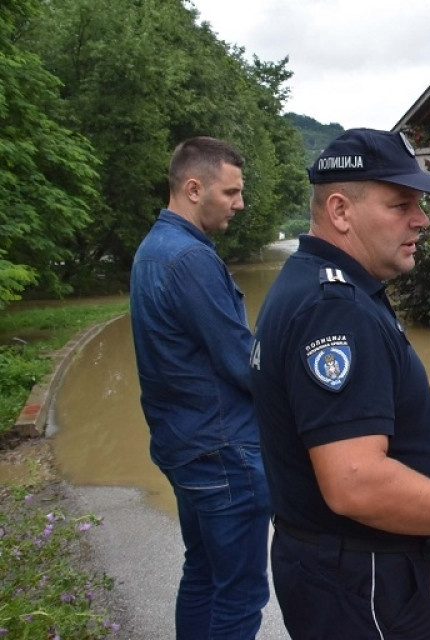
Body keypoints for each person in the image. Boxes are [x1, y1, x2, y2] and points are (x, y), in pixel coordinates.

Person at [249, 128, 430, 639]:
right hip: (361, 578)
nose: (421, 220)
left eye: (420, 204)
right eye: (400, 204)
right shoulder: (333, 311)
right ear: (341, 211)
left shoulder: (322, 285)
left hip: (345, 572)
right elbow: (355, 483)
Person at [130, 137, 270, 639]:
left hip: (184, 445)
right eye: (231, 192)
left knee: (203, 573)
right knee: (241, 593)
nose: (240, 203)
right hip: (223, 452)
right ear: (194, 188)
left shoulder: (152, 251)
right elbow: (241, 359)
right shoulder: (190, 259)